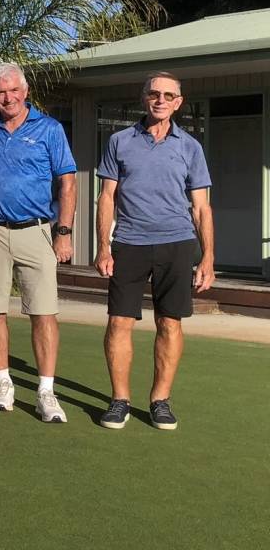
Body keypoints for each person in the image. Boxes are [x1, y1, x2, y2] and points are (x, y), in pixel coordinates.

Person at [94, 72, 214, 430]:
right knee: (119, 322)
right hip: (129, 243)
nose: (160, 100)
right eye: (154, 93)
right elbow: (107, 197)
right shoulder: (119, 141)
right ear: (144, 98)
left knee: (169, 323)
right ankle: (119, 400)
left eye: (168, 95)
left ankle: (160, 400)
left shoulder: (190, 147)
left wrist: (207, 257)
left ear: (178, 103)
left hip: (177, 243)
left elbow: (201, 207)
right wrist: (103, 247)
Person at [0, 62, 77, 423]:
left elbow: (68, 183)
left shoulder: (49, 128)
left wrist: (64, 232)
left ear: (25, 92)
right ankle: (4, 383)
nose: (7, 98)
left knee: (44, 312)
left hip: (37, 229)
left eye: (13, 90)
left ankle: (46, 391)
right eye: (0, 92)